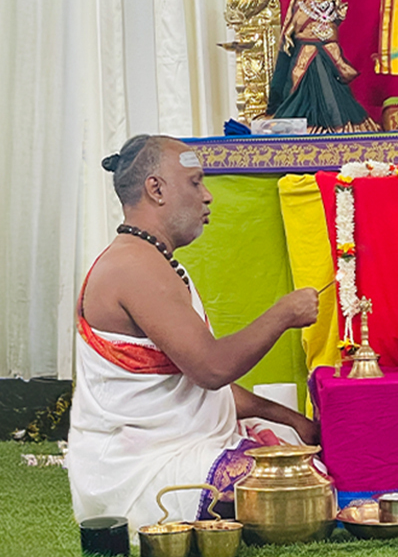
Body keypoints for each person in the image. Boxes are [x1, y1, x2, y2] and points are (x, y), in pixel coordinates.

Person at [67, 134, 320, 533]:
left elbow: (197, 390)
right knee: (299, 489)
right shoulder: (134, 267)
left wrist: (288, 417)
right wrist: (283, 314)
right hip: (142, 472)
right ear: (156, 189)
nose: (208, 197)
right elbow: (211, 370)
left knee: (300, 457)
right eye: (195, 182)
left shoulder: (152, 260)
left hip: (174, 452)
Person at [266, 0, 378, 133]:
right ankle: (311, 128)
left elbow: (331, 21)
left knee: (332, 89)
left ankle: (337, 128)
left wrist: (339, 16)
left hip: (328, 53)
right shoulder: (304, 1)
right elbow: (295, 22)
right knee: (307, 87)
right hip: (309, 53)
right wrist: (290, 36)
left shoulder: (330, 1)